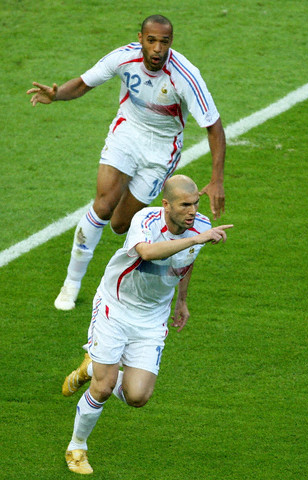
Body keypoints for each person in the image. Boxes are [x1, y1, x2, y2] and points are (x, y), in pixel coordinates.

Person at [27, 14, 226, 311]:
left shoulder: (184, 75)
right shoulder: (124, 58)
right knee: (104, 204)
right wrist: (57, 95)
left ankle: (122, 254)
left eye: (165, 42)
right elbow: (84, 83)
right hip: (127, 134)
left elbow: (214, 127)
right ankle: (72, 282)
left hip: (161, 152)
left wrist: (217, 178)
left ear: (171, 43)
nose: (158, 48)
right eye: (152, 40)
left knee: (120, 225)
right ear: (140, 39)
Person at [61, 174, 232, 474]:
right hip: (116, 306)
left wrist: (182, 301)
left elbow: (186, 262)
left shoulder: (201, 226)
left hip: (152, 318)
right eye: (184, 205)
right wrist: (196, 238)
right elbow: (146, 252)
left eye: (195, 203)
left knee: (137, 396)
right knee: (104, 387)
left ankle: (91, 367)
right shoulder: (147, 219)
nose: (192, 211)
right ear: (166, 205)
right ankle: (77, 447)